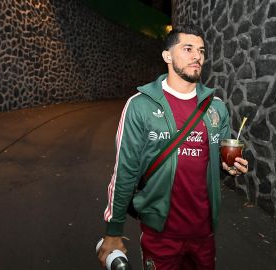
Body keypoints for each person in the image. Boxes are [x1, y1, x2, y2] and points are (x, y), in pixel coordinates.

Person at [97, 24, 248, 270]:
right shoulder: (140, 106)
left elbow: (215, 164)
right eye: (187, 48)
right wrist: (114, 229)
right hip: (161, 233)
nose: (197, 56)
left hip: (204, 232)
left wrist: (229, 168)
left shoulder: (216, 107)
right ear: (167, 56)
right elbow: (124, 172)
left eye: (201, 50)